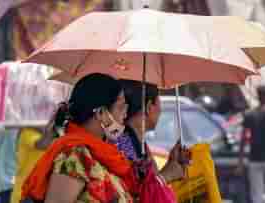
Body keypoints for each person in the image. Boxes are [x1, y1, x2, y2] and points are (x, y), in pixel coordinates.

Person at [21, 73, 136, 203]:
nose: (125, 114)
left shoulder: (103, 152)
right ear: (101, 113)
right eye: (121, 107)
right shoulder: (74, 155)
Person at [117, 80, 187, 182]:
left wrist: (171, 165)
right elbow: (137, 192)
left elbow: (150, 183)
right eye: (159, 103)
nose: (161, 110)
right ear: (149, 107)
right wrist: (166, 176)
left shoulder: (138, 142)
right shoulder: (123, 143)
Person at [237, 85, 265, 203]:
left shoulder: (249, 115)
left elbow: (243, 139)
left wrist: (240, 161)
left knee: (256, 194)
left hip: (254, 159)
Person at [10, 116, 56, 203]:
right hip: (24, 195)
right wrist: (50, 129)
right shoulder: (28, 132)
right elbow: (43, 144)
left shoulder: (45, 135)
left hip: (37, 193)